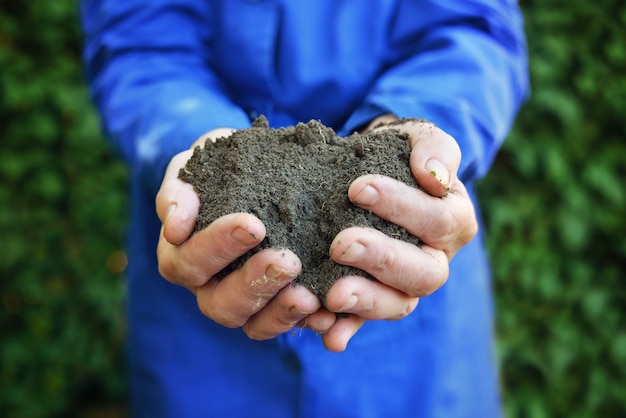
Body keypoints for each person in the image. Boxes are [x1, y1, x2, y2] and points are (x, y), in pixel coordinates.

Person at [81, 1, 528, 417]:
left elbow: (470, 29)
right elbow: (142, 45)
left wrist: (409, 136)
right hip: (202, 319)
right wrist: (202, 144)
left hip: (409, 323)